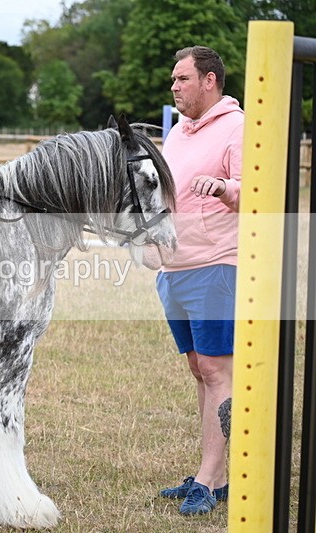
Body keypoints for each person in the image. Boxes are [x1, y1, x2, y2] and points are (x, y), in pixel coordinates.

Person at [156, 46, 243, 515]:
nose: (174, 86)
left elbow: (257, 192)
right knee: (198, 369)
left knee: (217, 371)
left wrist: (224, 188)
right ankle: (217, 473)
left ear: (209, 80)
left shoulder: (237, 126)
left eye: (182, 78)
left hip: (217, 266)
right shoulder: (178, 134)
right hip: (175, 269)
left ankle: (208, 481)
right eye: (174, 79)